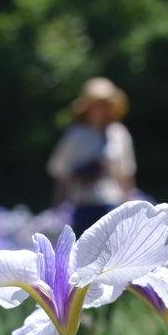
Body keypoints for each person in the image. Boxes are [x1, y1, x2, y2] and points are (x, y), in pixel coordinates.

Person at [47, 77, 137, 236]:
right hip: (84, 203)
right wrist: (57, 208)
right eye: (96, 105)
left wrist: (132, 206)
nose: (100, 110)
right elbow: (61, 172)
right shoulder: (76, 135)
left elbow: (125, 173)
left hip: (112, 204)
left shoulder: (118, 133)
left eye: (104, 105)